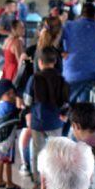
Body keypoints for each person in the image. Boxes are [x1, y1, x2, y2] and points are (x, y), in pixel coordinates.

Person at [26, 47, 69, 180]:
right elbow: (65, 102)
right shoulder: (61, 79)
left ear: (39, 62)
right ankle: (53, 179)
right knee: (55, 152)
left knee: (38, 151)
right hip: (55, 122)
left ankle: (37, 180)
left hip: (37, 121)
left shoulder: (34, 78)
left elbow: (27, 100)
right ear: (55, 61)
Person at [0, 80, 22, 189]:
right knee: (8, 162)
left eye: (12, 93)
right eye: (8, 94)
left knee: (1, 160)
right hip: (8, 139)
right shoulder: (9, 107)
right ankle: (9, 182)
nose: (12, 96)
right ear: (1, 96)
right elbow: (16, 118)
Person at [0, 0, 18, 70]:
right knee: (8, 56)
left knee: (8, 56)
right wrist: (10, 33)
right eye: (13, 6)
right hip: (4, 40)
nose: (15, 7)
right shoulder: (4, 17)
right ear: (7, 7)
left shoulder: (13, 15)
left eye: (15, 6)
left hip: (10, 39)